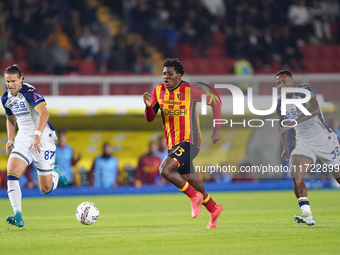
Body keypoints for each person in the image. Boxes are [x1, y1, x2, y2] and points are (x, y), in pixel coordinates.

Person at [143, 58, 223, 228]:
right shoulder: (158, 90)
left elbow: (215, 102)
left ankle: (194, 197)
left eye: (170, 74)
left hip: (190, 141)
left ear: (179, 75)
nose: (166, 77)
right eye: (164, 73)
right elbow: (150, 118)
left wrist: (217, 129)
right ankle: (214, 208)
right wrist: (148, 106)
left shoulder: (190, 90)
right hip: (173, 145)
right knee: (188, 179)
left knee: (164, 170)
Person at [1, 64, 67, 228]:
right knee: (12, 171)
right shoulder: (5, 98)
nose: (10, 85)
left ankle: (56, 174)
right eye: (7, 81)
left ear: (21, 79)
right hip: (23, 138)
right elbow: (10, 119)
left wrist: (37, 135)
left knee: (45, 188)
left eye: (14, 81)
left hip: (42, 138)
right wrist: (10, 139)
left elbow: (45, 113)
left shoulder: (29, 92)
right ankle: (18, 214)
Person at [275, 70, 340, 227]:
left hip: (325, 140)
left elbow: (314, 110)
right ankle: (307, 215)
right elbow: (281, 123)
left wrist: (293, 123)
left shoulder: (303, 90)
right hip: (304, 143)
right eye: (278, 83)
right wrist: (285, 147)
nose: (281, 85)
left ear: (292, 82)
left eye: (284, 81)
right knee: (296, 174)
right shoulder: (280, 102)